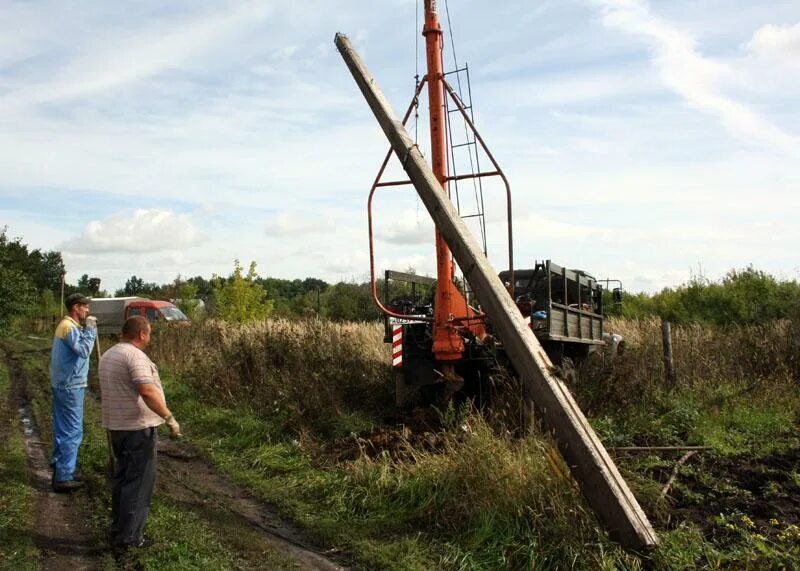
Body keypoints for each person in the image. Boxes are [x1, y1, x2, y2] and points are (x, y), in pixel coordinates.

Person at [99, 316, 182, 550]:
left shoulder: (110, 354)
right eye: (149, 333)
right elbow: (146, 390)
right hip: (137, 428)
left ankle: (119, 527)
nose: (150, 338)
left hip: (117, 426)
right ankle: (130, 537)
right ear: (141, 334)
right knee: (138, 484)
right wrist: (169, 417)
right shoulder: (134, 356)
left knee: (122, 478)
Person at [49, 292, 97, 492]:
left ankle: (60, 466)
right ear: (76, 308)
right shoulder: (69, 327)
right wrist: (91, 329)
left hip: (63, 383)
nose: (87, 309)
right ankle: (64, 477)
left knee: (62, 428)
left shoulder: (68, 326)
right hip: (70, 386)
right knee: (72, 431)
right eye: (85, 306)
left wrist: (86, 329)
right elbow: (84, 351)